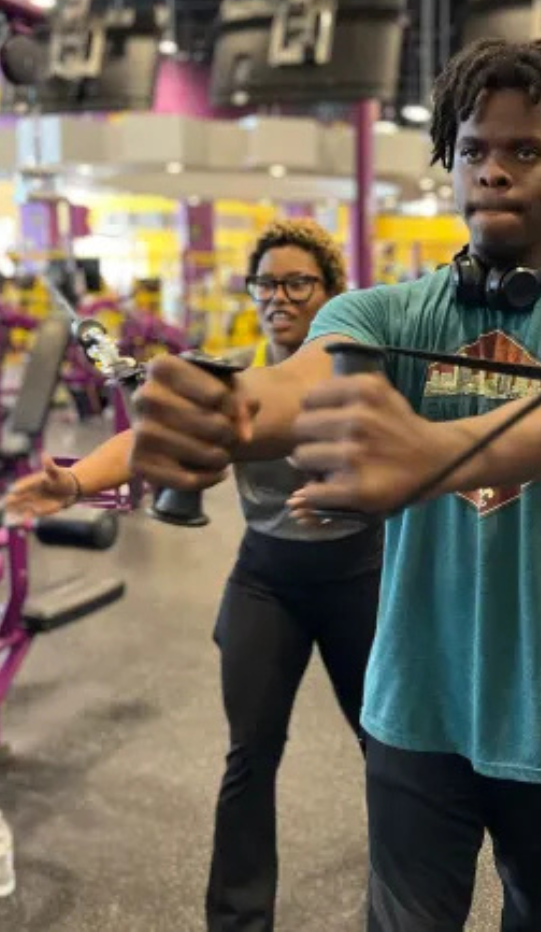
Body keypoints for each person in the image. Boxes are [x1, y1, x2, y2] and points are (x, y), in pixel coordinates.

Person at [128, 37, 541, 931]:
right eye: (474, 150)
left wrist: (429, 455)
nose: (493, 171)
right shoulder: (384, 312)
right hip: (411, 709)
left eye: (525, 150)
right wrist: (220, 414)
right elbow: (292, 385)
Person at [5, 219, 383, 932]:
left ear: (332, 294)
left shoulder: (362, 372)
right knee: (250, 756)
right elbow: (145, 438)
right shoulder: (230, 374)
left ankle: (404, 902)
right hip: (267, 579)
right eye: (266, 282)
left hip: (359, 575)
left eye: (298, 282)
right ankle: (238, 921)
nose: (278, 296)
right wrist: (75, 482)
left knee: (386, 751)